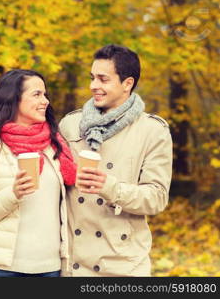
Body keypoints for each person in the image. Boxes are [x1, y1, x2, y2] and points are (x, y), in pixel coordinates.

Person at [59, 44, 173, 276]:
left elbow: (157, 198)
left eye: (103, 79)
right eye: (92, 78)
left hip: (122, 265)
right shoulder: (70, 124)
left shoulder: (152, 130)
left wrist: (111, 188)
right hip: (72, 263)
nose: (94, 86)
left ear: (127, 83)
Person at [0, 69, 77, 277]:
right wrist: (12, 194)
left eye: (45, 94)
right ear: (14, 100)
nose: (46, 101)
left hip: (50, 268)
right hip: (2, 269)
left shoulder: (55, 146)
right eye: (36, 94)